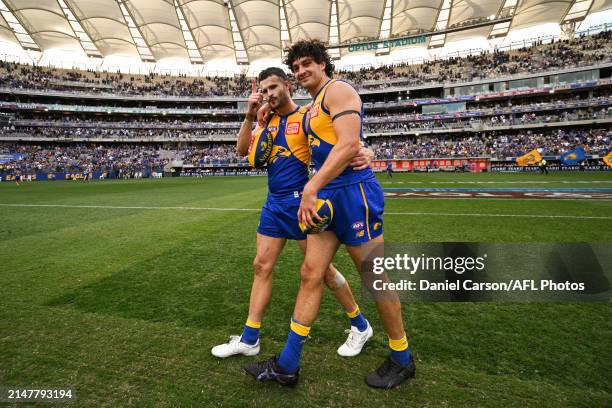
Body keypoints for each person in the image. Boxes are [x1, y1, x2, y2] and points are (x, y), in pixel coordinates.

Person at [245, 40, 415, 389]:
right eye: (296, 67)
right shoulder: (311, 108)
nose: (302, 71)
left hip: (354, 195)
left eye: (307, 64)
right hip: (328, 199)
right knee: (310, 274)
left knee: (373, 277)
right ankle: (287, 365)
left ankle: (402, 357)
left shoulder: (338, 90)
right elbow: (326, 145)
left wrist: (315, 185)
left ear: (323, 64)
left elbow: (350, 142)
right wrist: (261, 117)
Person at [212, 67, 375, 359]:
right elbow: (241, 151)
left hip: (301, 205)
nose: (269, 94)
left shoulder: (308, 116)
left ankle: (359, 324)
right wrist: (250, 116)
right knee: (261, 266)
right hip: (273, 205)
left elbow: (342, 141)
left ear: (287, 85)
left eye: (273, 87)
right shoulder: (264, 121)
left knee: (322, 272)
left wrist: (367, 151)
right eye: (264, 90)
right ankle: (250, 339)